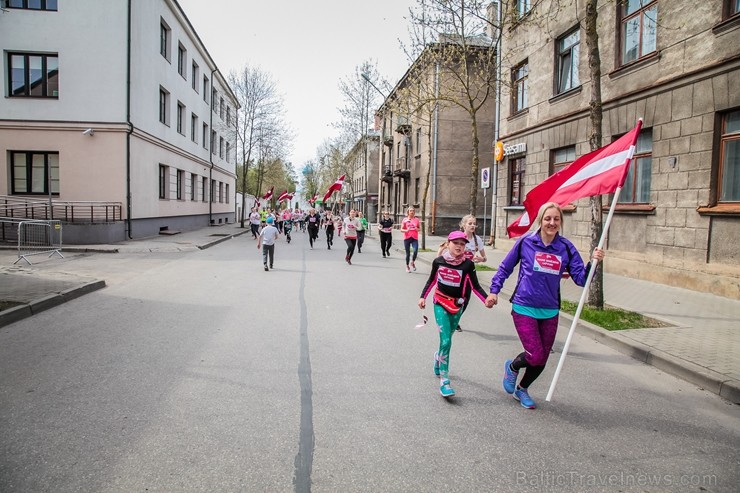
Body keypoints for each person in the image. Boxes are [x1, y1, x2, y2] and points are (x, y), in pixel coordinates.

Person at [486, 202, 605, 409]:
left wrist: (593, 263)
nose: (552, 223)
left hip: (549, 310)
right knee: (535, 354)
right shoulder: (526, 242)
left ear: (560, 222)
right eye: (547, 218)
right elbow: (505, 267)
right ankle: (513, 366)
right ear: (540, 220)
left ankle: (522, 389)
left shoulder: (566, 247)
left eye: (556, 219)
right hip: (524, 305)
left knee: (542, 359)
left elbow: (581, 279)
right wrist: (494, 291)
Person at [419, 230, 494, 398]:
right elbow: (431, 280)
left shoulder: (468, 265)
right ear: (448, 244)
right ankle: (445, 381)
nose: (459, 246)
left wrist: (486, 300)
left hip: (457, 305)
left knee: (448, 339)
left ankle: (438, 356)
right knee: (445, 340)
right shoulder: (438, 262)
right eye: (456, 243)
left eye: (462, 244)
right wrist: (423, 297)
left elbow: (475, 286)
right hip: (440, 302)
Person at [436, 215, 488, 332]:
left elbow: (485, 258)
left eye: (474, 223)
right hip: (456, 273)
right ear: (464, 225)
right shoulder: (457, 238)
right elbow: (441, 252)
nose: (473, 226)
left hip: (468, 274)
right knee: (454, 297)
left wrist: (481, 259)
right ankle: (450, 316)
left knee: (465, 300)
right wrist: (439, 253)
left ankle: (456, 318)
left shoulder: (477, 240)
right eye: (470, 223)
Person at [400, 206, 420, 273]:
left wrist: (417, 229)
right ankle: (407, 266)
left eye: (413, 211)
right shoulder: (405, 220)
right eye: (410, 211)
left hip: (414, 238)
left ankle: (413, 262)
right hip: (407, 238)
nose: (412, 212)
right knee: (407, 253)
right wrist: (406, 230)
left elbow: (419, 228)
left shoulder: (417, 220)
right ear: (408, 212)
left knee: (415, 250)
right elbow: (401, 229)